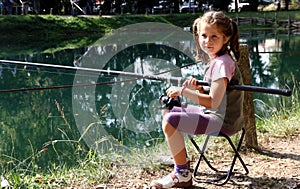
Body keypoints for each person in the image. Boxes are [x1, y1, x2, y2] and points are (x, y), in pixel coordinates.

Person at [150, 11, 244, 188]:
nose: (207, 41)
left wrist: (183, 91)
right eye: (204, 36)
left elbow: (213, 102)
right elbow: (218, 93)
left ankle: (182, 174)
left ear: (226, 38)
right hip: (218, 115)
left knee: (171, 120)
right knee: (169, 106)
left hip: (223, 122)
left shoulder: (222, 64)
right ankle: (180, 159)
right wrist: (201, 88)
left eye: (214, 36)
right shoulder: (219, 59)